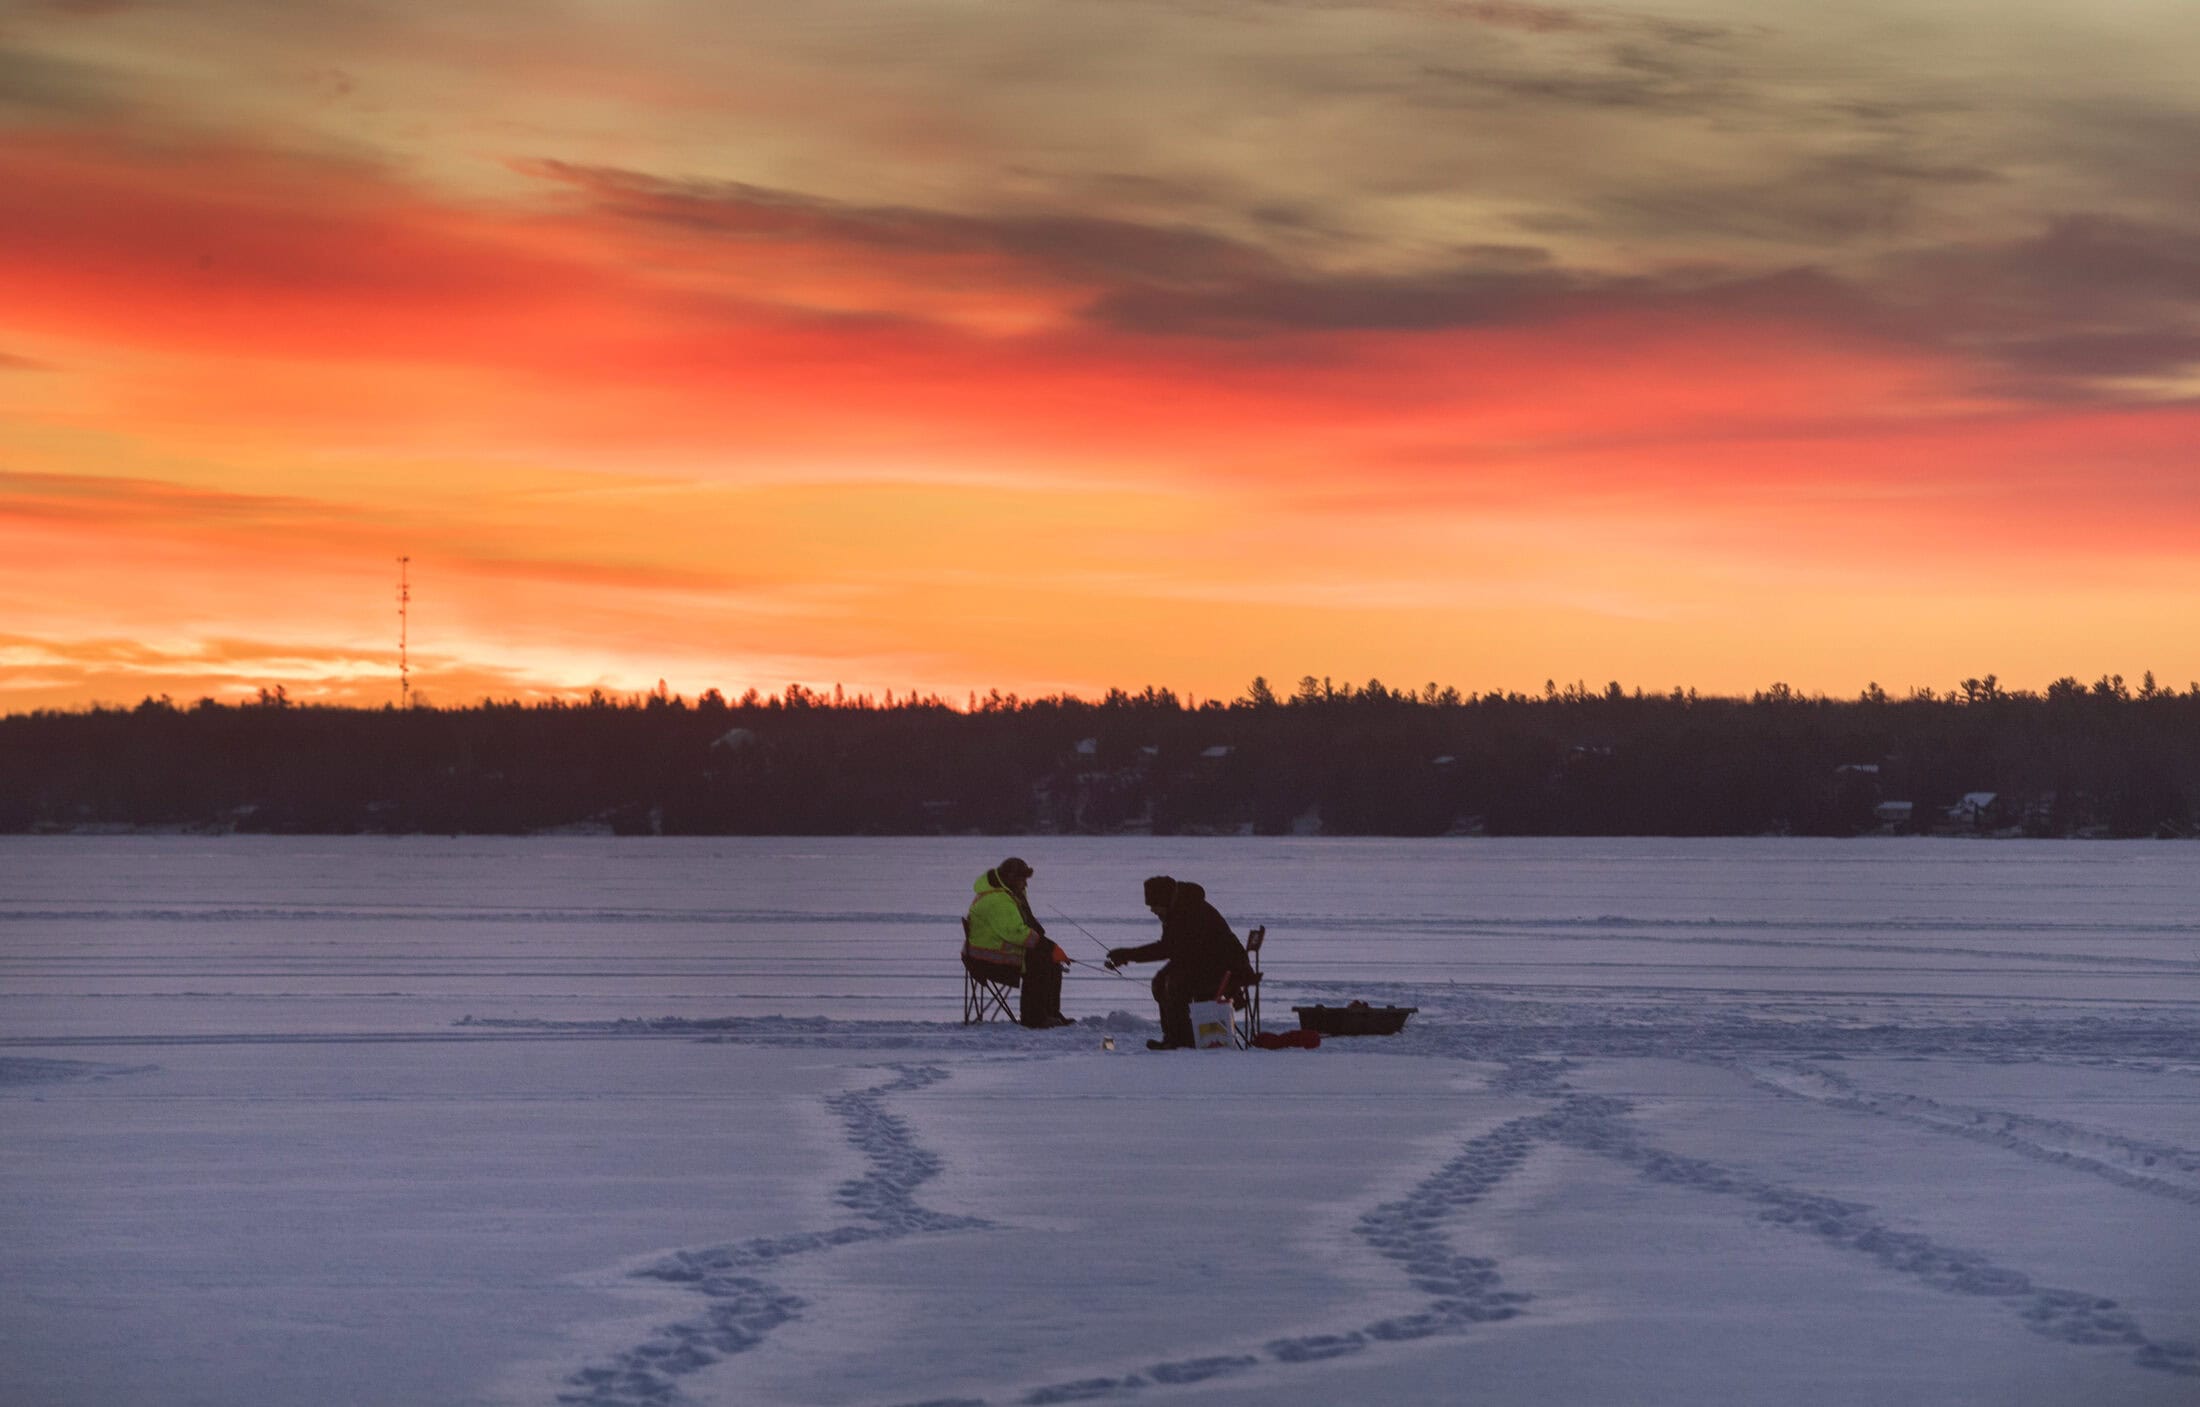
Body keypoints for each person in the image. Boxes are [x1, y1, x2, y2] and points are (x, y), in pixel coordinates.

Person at [1106, 874, 1253, 1049]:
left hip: (1226, 967)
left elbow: (1169, 948)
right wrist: (1127, 956)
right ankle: (1174, 1037)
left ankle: (1181, 1040)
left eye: (1154, 905)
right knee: (1161, 981)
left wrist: (1128, 955)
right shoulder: (1176, 909)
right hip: (1204, 962)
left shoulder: (1189, 910)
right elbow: (1177, 950)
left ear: (1164, 899)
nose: (1152, 910)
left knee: (1175, 984)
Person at [963, 857, 1073, 1028]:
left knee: (1051, 960)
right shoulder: (998, 900)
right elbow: (1015, 932)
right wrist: (1050, 947)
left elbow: (1027, 926)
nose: (1026, 885)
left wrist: (1049, 948)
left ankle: (1050, 1013)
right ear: (1011, 879)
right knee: (1039, 961)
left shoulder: (1010, 895)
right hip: (985, 959)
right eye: (1023, 880)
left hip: (998, 950)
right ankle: (1034, 1018)